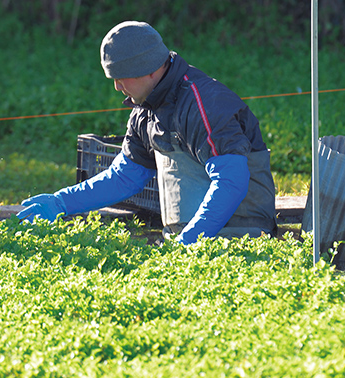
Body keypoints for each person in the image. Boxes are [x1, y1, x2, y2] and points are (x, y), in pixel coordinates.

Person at [17, 21, 277, 245]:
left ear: (150, 68)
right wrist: (61, 202)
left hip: (241, 235)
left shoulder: (201, 103)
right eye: (113, 79)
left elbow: (232, 182)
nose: (118, 87)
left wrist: (191, 242)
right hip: (193, 239)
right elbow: (124, 177)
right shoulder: (144, 112)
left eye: (122, 77)